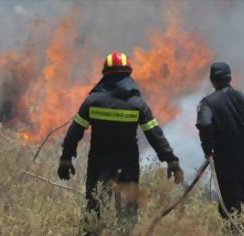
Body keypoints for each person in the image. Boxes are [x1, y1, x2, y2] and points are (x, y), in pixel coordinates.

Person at [57, 51, 184, 231]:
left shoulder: (93, 101)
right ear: (128, 74)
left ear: (105, 74)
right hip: (128, 165)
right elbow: (155, 135)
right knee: (127, 216)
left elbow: (74, 132)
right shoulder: (137, 104)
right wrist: (171, 160)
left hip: (99, 163)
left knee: (94, 211)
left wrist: (66, 158)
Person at [196, 62, 244, 218]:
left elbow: (204, 124)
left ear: (212, 80)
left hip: (226, 162)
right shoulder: (241, 97)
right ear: (230, 78)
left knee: (230, 205)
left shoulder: (208, 103)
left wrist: (208, 149)